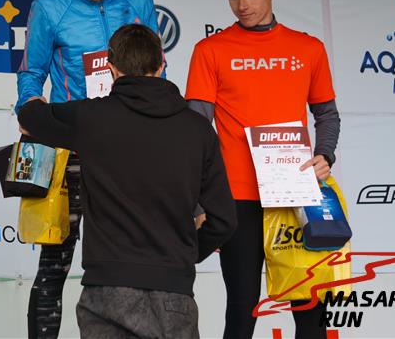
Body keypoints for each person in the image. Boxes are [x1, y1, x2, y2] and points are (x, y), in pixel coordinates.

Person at [18, 24, 237, 338]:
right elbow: (223, 220)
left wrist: (34, 104)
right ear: (161, 65)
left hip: (107, 290)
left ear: (111, 68)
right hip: (174, 291)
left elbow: (31, 117)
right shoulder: (198, 129)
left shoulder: (91, 117)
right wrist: (183, 256)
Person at [16, 0, 160, 338]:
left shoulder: (140, 4)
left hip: (127, 150)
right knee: (54, 265)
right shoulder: (50, 6)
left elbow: (156, 72)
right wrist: (29, 107)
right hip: (72, 147)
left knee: (125, 264)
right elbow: (31, 73)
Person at [185, 0, 341, 339]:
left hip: (296, 195)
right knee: (242, 310)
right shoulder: (210, 51)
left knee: (310, 309)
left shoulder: (309, 48)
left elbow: (327, 115)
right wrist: (200, 201)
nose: (242, 5)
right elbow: (194, 130)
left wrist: (324, 154)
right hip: (237, 199)